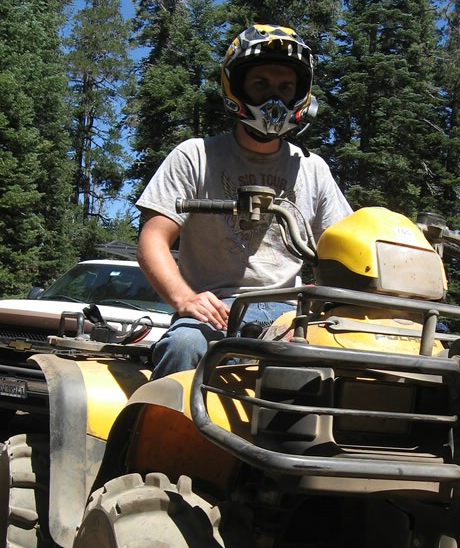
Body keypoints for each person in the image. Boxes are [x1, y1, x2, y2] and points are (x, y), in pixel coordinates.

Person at [136, 23, 352, 379]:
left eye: (285, 87)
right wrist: (185, 300)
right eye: (261, 84)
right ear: (236, 88)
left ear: (301, 94)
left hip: (290, 314)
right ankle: (169, 433)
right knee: (184, 346)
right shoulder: (196, 155)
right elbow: (152, 240)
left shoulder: (313, 169)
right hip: (216, 308)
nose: (275, 98)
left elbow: (342, 248)